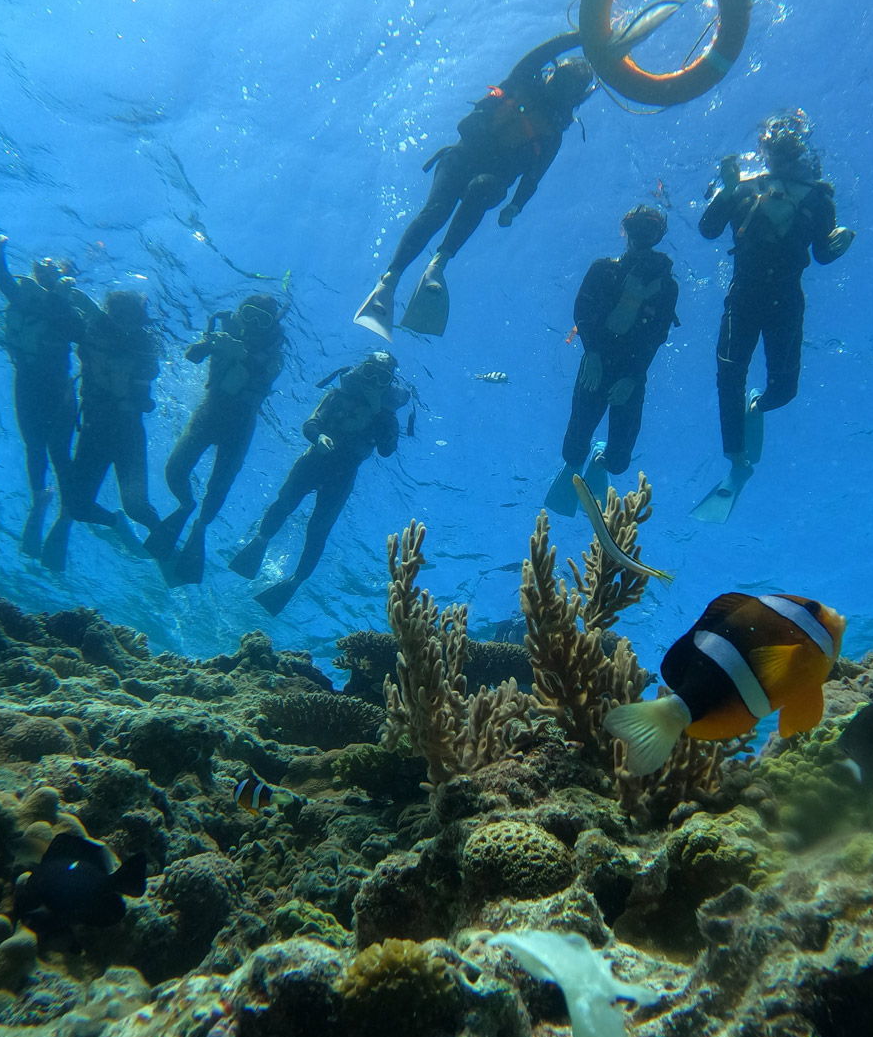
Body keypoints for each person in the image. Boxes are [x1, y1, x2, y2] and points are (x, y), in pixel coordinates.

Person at [354, 34, 596, 339]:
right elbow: (544, 50)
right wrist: (583, 35)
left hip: (491, 179)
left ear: (576, 98)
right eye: (563, 80)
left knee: (483, 187)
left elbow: (533, 177)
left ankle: (439, 262)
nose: (562, 89)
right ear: (553, 74)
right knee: (436, 212)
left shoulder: (553, 135)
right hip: (461, 158)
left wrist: (515, 206)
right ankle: (390, 278)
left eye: (571, 88)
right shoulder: (524, 78)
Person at [692, 110, 855, 522]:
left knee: (784, 391)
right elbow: (708, 229)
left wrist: (837, 243)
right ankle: (736, 459)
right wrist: (728, 192)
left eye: (788, 149)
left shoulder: (820, 198)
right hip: (744, 293)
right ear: (766, 153)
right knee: (728, 373)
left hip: (786, 296)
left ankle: (759, 405)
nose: (781, 157)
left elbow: (820, 254)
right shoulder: (746, 186)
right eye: (775, 149)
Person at [228, 350, 405, 615]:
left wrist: (378, 412)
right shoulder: (337, 396)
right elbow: (311, 423)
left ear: (388, 384)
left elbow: (387, 450)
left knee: (318, 531)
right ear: (360, 371)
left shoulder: (387, 417)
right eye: (369, 373)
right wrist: (319, 437)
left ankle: (295, 580)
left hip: (341, 478)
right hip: (312, 463)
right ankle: (261, 541)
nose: (372, 381)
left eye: (381, 378)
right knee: (283, 504)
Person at [543, 205, 679, 515]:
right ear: (626, 230)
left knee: (618, 463)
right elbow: (582, 311)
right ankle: (580, 460)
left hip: (632, 375)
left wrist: (633, 377)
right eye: (636, 227)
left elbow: (657, 335)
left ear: (658, 235)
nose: (641, 236)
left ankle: (601, 458)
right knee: (572, 449)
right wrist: (591, 353)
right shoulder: (603, 270)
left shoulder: (668, 287)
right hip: (596, 364)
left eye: (650, 229)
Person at [144, 294, 287, 585]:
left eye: (263, 320)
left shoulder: (275, 352)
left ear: (272, 325)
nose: (255, 324)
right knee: (174, 469)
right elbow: (191, 356)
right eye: (250, 314)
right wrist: (210, 343)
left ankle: (200, 526)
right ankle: (186, 505)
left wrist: (243, 355)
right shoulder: (223, 331)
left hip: (241, 422)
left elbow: (270, 374)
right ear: (240, 313)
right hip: (210, 409)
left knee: (219, 487)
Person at [0, 235, 95, 556]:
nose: (45, 275)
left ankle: (66, 511)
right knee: (33, 445)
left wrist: (62, 301)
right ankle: (39, 500)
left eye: (53, 272)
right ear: (35, 274)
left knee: (59, 453)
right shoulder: (22, 297)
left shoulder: (68, 308)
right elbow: (0, 276)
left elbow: (80, 334)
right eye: (42, 270)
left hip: (58, 388)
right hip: (27, 382)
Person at [40, 290, 163, 572]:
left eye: (131, 317)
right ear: (109, 313)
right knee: (79, 507)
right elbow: (64, 322)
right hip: (93, 431)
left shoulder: (145, 343)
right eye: (117, 315)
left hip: (128, 432)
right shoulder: (91, 331)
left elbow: (150, 378)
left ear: (140, 319)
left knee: (137, 506)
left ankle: (165, 545)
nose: (124, 323)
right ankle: (115, 524)